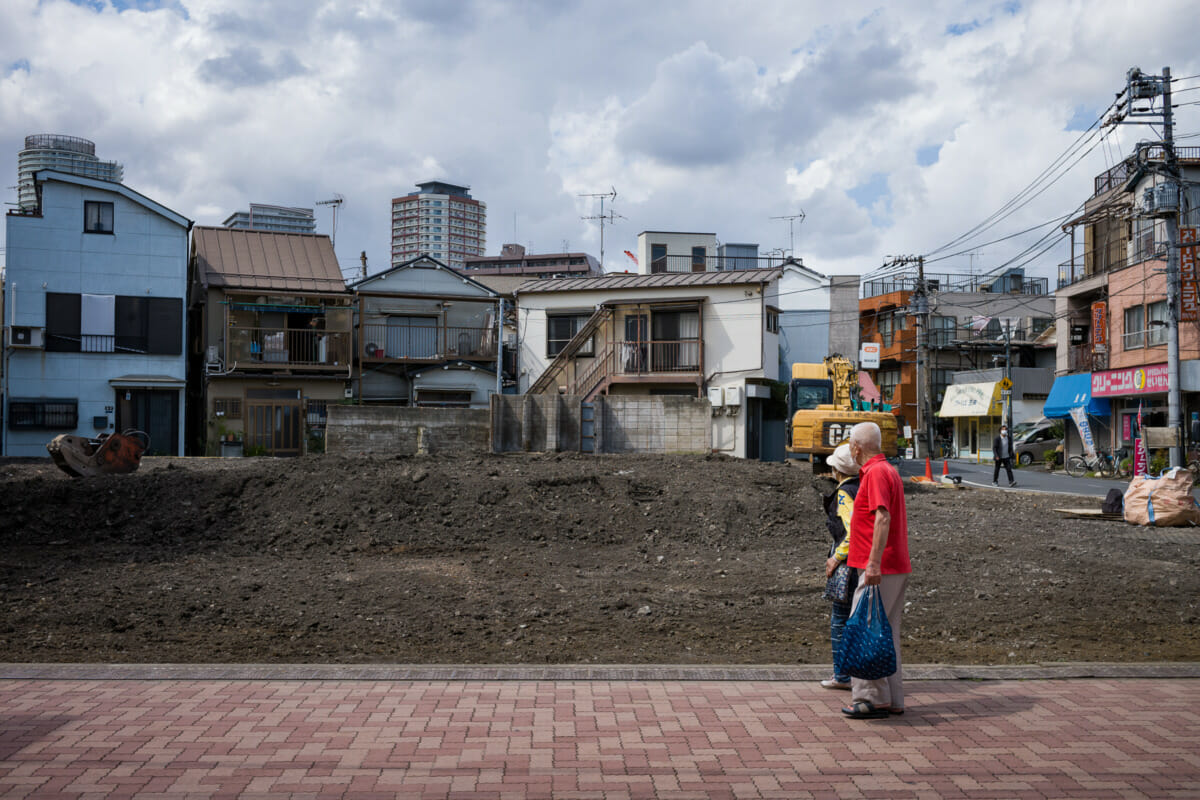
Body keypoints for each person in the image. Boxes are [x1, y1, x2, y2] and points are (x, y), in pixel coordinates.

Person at [841, 421, 912, 719]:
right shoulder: (887, 471)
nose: (850, 449)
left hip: (879, 567)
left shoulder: (875, 473)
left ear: (857, 447)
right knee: (886, 632)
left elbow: (881, 517)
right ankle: (892, 697)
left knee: (865, 630)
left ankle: (871, 697)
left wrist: (872, 562)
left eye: (850, 443)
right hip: (893, 565)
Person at [820, 443, 860, 691]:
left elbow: (852, 529)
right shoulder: (862, 486)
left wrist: (837, 557)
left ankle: (842, 675)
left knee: (839, 618)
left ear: (837, 469)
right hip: (862, 561)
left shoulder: (844, 493)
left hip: (847, 562)